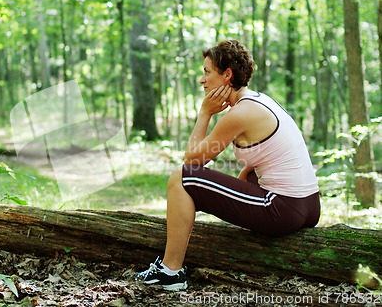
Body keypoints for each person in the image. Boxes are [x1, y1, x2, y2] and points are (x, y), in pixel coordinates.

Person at [136, 39, 321, 291]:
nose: (202, 80)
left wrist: (205, 114)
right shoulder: (259, 101)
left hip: (283, 209)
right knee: (194, 177)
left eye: (207, 72)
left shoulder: (240, 113)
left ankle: (170, 273)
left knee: (181, 178)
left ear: (227, 75)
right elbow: (266, 157)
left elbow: (191, 161)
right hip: (307, 205)